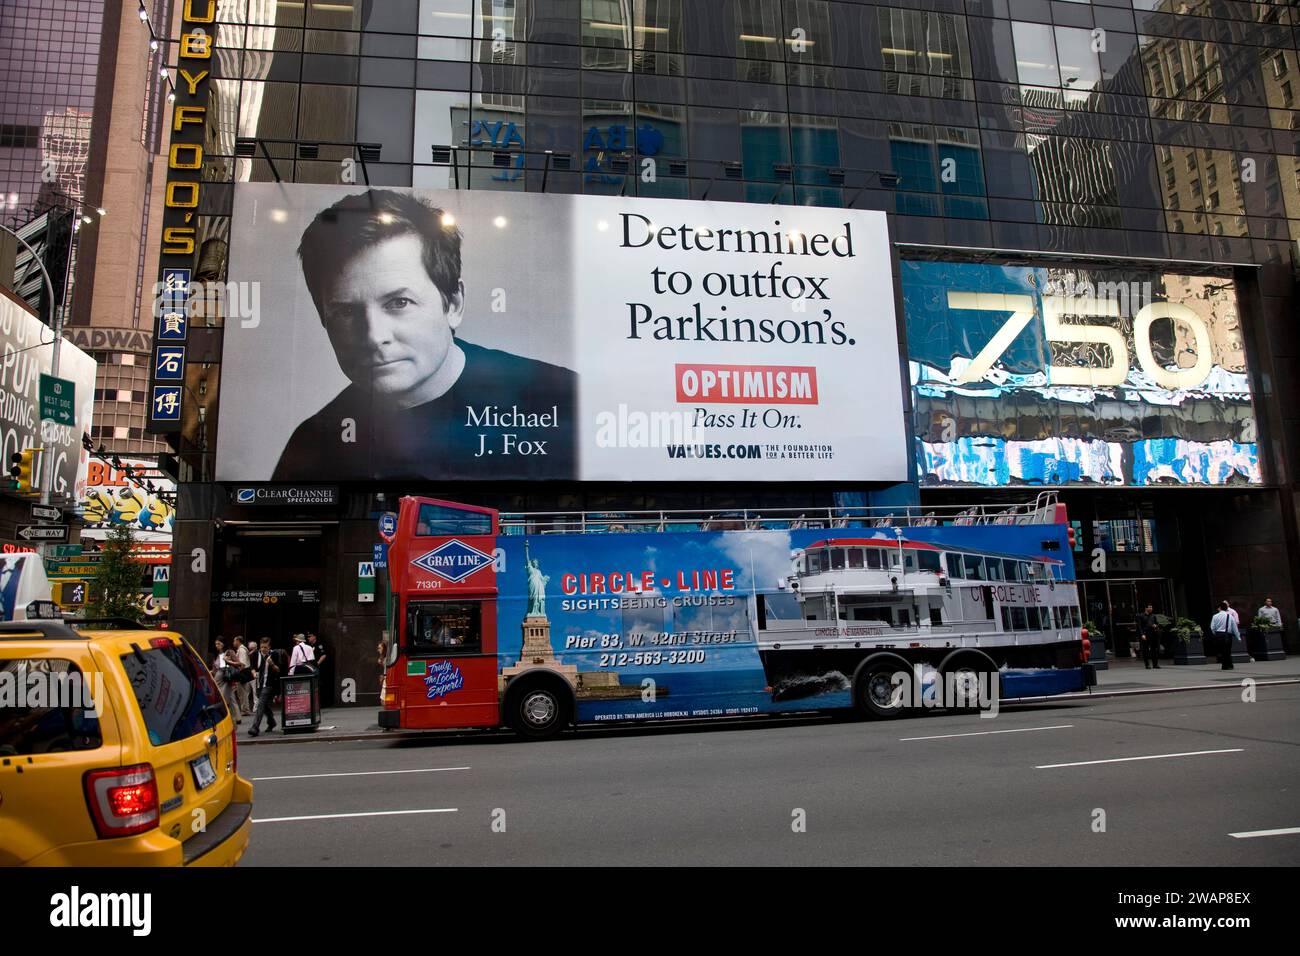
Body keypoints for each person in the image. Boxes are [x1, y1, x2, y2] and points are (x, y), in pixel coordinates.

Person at [272, 188, 577, 481]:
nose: (374, 336)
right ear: (323, 318)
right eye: (347, 312)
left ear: (454, 303)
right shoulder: (315, 442)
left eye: (399, 303)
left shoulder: (565, 399)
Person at [247, 637, 280, 736]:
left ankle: (255, 727)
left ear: (269, 647)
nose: (263, 649)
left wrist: (272, 664)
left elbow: (278, 670)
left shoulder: (274, 654)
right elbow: (252, 667)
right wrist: (253, 673)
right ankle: (272, 722)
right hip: (258, 684)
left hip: (268, 684)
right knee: (265, 706)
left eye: (265, 647)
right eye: (261, 647)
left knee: (260, 704)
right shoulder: (255, 654)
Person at [211, 638, 240, 723]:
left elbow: (240, 664)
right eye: (216, 644)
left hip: (226, 678)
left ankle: (230, 721)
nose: (217, 646)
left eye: (219, 643)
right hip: (217, 679)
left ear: (223, 644)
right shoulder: (216, 654)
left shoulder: (229, 652)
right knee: (230, 699)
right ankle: (235, 719)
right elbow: (214, 669)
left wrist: (228, 661)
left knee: (223, 700)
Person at [1210, 601, 1241, 670]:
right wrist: (1238, 637)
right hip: (1227, 635)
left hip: (1218, 635)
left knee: (1221, 650)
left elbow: (1212, 627)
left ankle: (1225, 665)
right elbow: (1234, 628)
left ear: (1220, 608)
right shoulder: (1230, 616)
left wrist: (1215, 634)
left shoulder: (1215, 616)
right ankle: (1228, 665)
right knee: (1227, 650)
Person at [230, 636, 252, 715]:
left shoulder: (242, 650)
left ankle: (245, 710)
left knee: (242, 692)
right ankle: (245, 709)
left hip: (243, 673)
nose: (233, 642)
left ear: (238, 641)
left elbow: (242, 664)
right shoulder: (242, 649)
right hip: (244, 672)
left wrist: (237, 672)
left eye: (234, 641)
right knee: (243, 692)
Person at [307, 631, 331, 706]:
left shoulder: (319, 645)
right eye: (308, 637)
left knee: (320, 684)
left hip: (320, 668)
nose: (308, 638)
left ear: (314, 637)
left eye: (310, 636)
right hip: (312, 668)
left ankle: (323, 703)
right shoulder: (309, 646)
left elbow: (323, 655)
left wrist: (317, 664)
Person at [1135, 604, 1161, 669]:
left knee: (1154, 650)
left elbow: (1157, 623)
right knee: (1145, 650)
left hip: (1153, 634)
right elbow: (1139, 626)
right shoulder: (1141, 616)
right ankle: (1147, 664)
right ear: (1146, 608)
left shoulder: (1153, 616)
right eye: (1149, 607)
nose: (1151, 608)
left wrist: (1156, 625)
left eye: (1151, 607)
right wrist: (1142, 634)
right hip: (1145, 634)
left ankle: (1155, 664)